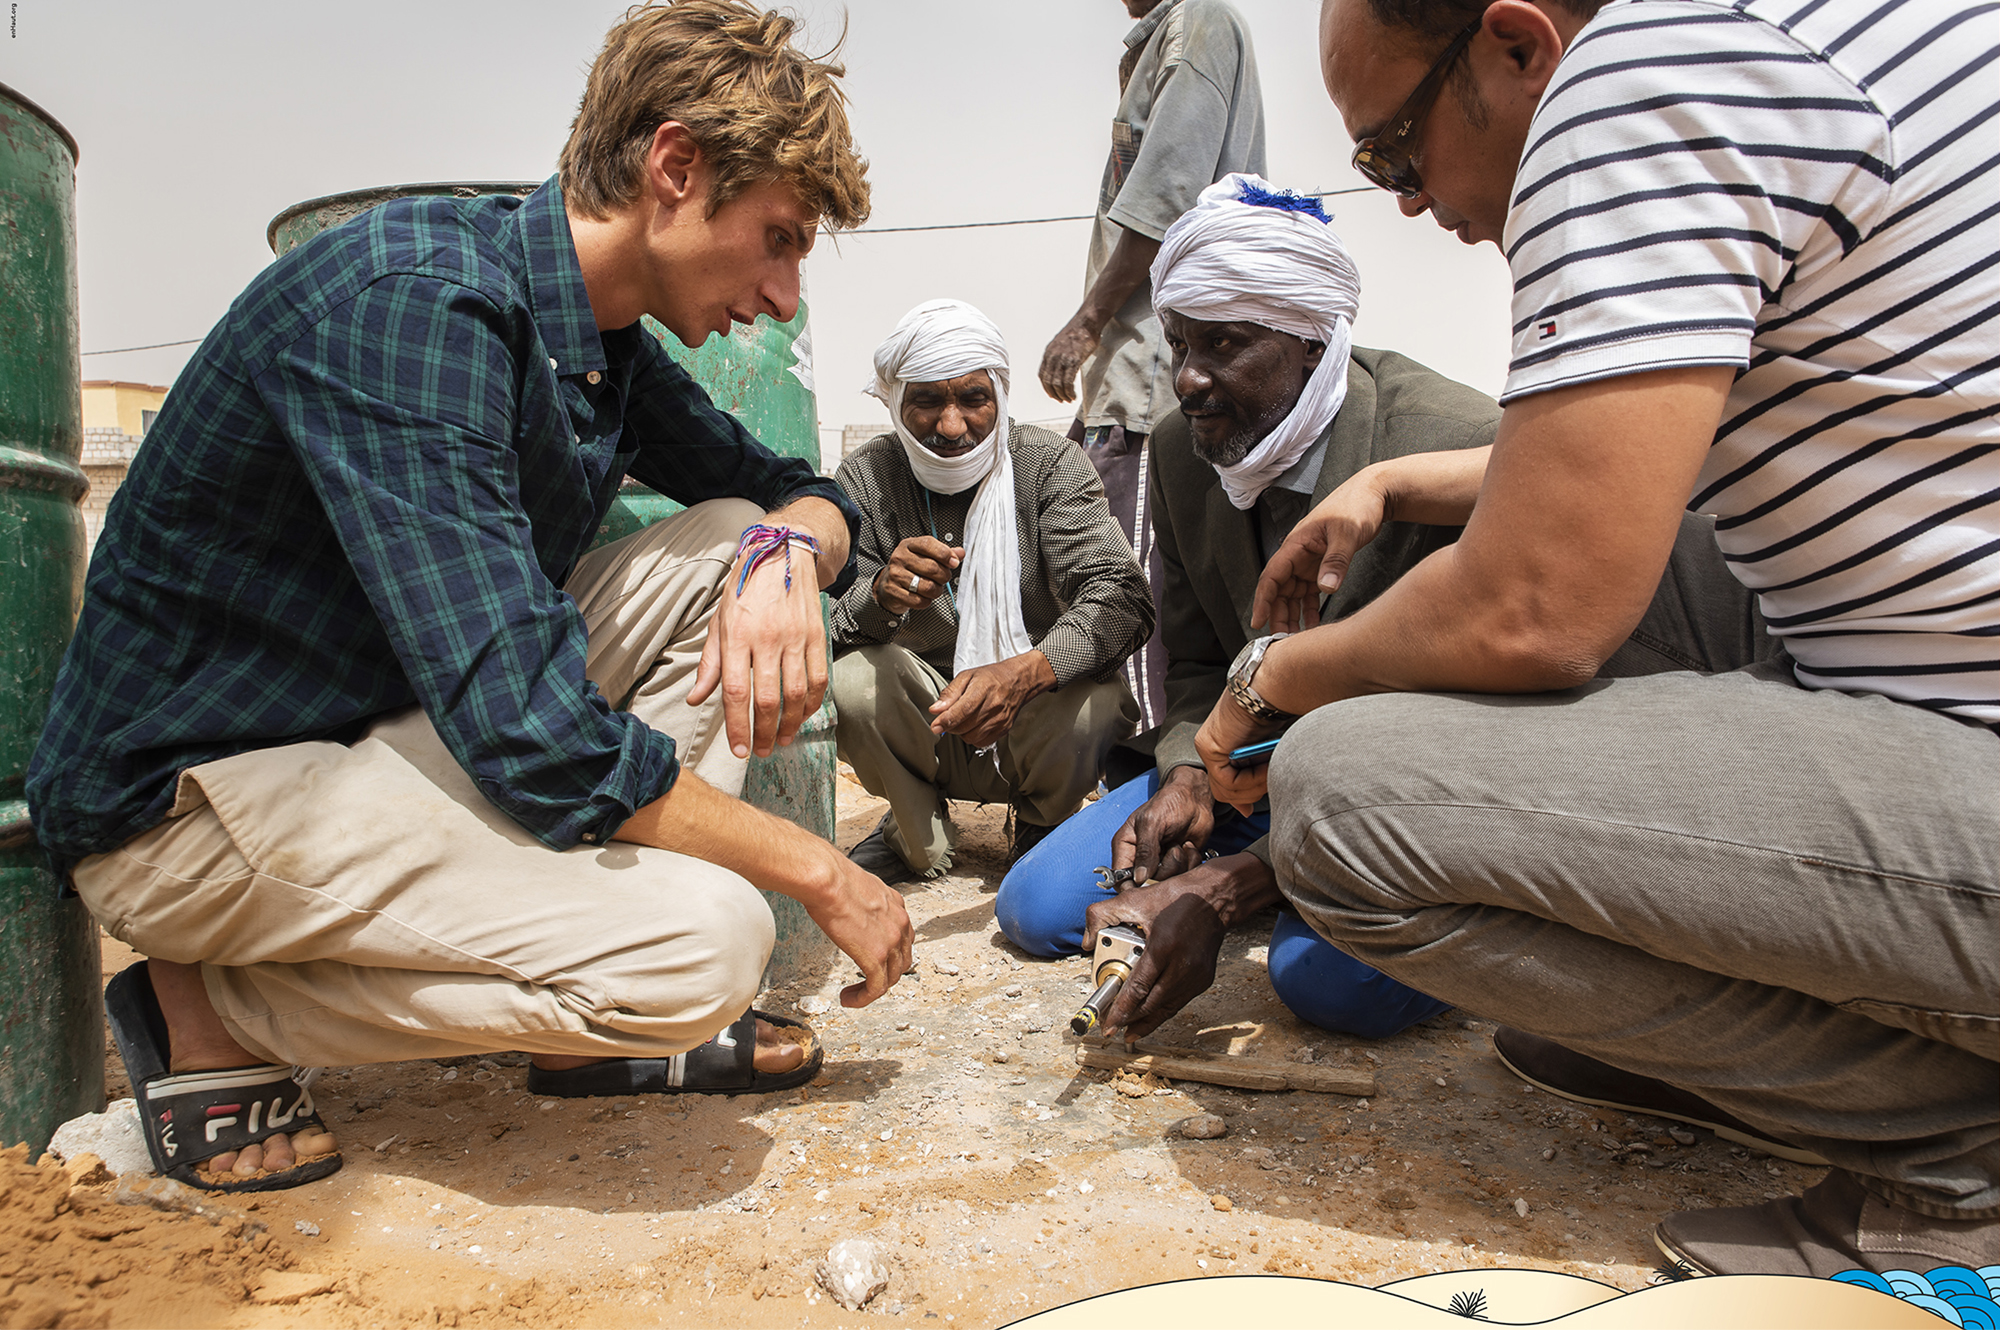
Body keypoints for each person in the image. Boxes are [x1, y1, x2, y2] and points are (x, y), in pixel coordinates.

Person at [24, 0, 915, 1194]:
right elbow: (534, 737)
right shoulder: (414, 305)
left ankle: (598, 1020)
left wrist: (782, 557)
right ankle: (213, 1008)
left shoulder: (596, 337)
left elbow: (795, 490)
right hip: (193, 803)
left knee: (720, 544)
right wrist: (815, 867)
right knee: (709, 946)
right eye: (777, 238)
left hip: (369, 744)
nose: (784, 295)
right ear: (674, 167)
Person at [1182, 0, 1994, 1277]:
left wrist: (1267, 687)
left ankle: (1959, 1156)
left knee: (1336, 799)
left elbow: (1534, 607)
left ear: (1517, 48)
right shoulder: (1799, 39)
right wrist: (1397, 488)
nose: (1403, 202)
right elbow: (1623, 441)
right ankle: (1760, 1050)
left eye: (1396, 151)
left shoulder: (1639, 76)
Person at [999, 175, 1501, 1040]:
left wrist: (1233, 884)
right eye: (1178, 343)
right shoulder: (1184, 453)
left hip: (1403, 791)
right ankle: (1298, 882)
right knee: (1036, 908)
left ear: (1313, 344)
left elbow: (1477, 728)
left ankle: (1434, 911)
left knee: (1331, 991)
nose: (1189, 379)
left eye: (1224, 345)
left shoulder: (1452, 443)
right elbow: (1196, 664)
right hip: (1247, 769)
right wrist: (1190, 773)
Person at [833, 300, 1153, 883]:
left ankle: (1044, 824)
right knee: (849, 681)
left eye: (973, 399)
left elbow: (1124, 600)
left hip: (1031, 724)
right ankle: (914, 834)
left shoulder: (1047, 463)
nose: (951, 426)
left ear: (1000, 397)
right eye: (926, 400)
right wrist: (879, 597)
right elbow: (821, 625)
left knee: (1096, 698)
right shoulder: (865, 478)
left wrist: (1021, 674)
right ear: (897, 404)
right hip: (928, 727)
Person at [1038, 0, 1268, 734]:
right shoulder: (1165, 36)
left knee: (1130, 595)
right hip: (1130, 378)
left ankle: (1148, 777)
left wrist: (1085, 324)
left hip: (1152, 382)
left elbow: (1167, 192)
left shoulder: (1201, 22)